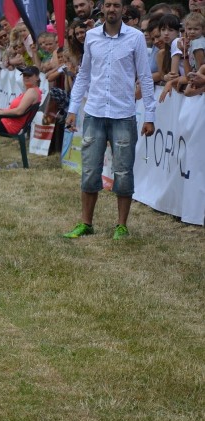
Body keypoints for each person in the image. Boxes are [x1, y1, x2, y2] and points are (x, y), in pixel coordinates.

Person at [64, 0, 156, 241]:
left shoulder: (135, 37)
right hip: (94, 112)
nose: (112, 9)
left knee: (123, 172)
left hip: (123, 115)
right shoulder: (92, 36)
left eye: (117, 5)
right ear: (102, 9)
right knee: (90, 170)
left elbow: (145, 78)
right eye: (108, 5)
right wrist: (73, 109)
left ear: (123, 10)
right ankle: (86, 223)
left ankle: (121, 225)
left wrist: (150, 115)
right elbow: (83, 75)